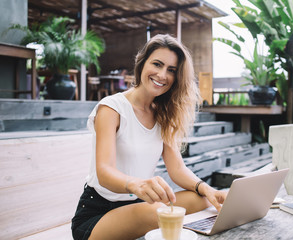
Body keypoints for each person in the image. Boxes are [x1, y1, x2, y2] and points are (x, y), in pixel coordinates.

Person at [71, 34, 227, 240]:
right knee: (156, 213)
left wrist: (208, 190)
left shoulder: (163, 113)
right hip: (99, 214)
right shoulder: (112, 107)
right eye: (157, 64)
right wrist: (137, 184)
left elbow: (177, 169)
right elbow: (104, 172)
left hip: (140, 205)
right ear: (142, 63)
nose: (163, 75)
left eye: (171, 70)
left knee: (201, 200)